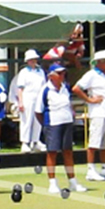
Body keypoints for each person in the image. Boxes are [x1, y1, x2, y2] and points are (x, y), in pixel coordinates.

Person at [35, 63, 86, 194]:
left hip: (67, 123)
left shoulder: (65, 87)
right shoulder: (45, 90)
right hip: (53, 124)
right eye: (59, 73)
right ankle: (52, 183)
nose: (62, 75)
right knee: (52, 153)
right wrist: (46, 125)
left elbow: (68, 104)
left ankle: (72, 182)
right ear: (51, 76)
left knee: (68, 152)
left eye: (63, 73)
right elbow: (38, 111)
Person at [72, 50, 105, 182]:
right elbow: (76, 88)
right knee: (94, 143)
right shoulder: (91, 75)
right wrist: (90, 100)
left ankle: (104, 168)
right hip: (98, 113)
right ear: (99, 62)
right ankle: (91, 170)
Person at [17, 49, 47, 153]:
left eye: (34, 59)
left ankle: (35, 141)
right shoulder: (23, 72)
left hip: (38, 98)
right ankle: (25, 143)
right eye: (31, 59)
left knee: (37, 121)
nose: (33, 61)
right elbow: (20, 88)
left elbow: (43, 86)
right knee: (26, 120)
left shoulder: (41, 72)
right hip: (27, 98)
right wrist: (20, 102)